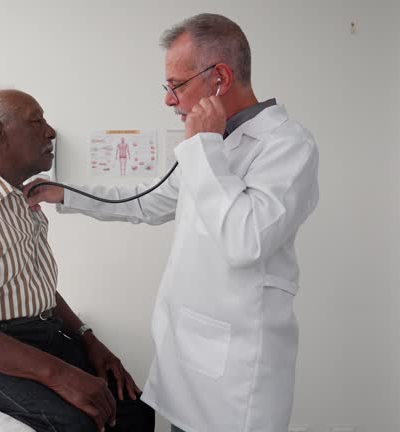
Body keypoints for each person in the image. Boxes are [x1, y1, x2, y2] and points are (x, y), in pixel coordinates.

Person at [25, 13, 319, 432]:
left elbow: (245, 240)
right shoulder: (214, 148)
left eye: (176, 85)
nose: (168, 100)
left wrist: (203, 145)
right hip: (187, 362)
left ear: (219, 78)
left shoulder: (287, 145)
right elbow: (148, 201)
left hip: (236, 379)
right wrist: (66, 193)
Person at [0, 89, 155, 432]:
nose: (51, 131)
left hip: (38, 333)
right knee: (80, 423)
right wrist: (63, 376)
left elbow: (34, 288)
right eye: (36, 121)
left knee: (135, 408)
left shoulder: (22, 199)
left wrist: (89, 340)